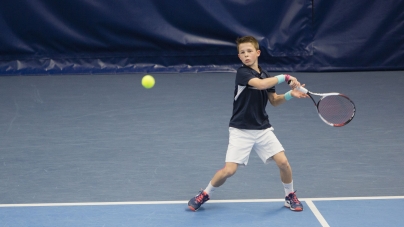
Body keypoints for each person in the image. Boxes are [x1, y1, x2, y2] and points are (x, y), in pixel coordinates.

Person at [188, 36, 308, 212]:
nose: (246, 55)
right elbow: (260, 85)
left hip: (262, 128)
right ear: (239, 57)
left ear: (257, 53)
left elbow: (274, 100)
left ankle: (289, 196)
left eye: (249, 51)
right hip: (240, 129)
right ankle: (205, 193)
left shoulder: (266, 75)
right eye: (242, 53)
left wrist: (291, 95)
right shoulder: (243, 73)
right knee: (229, 170)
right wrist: (286, 76)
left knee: (283, 162)